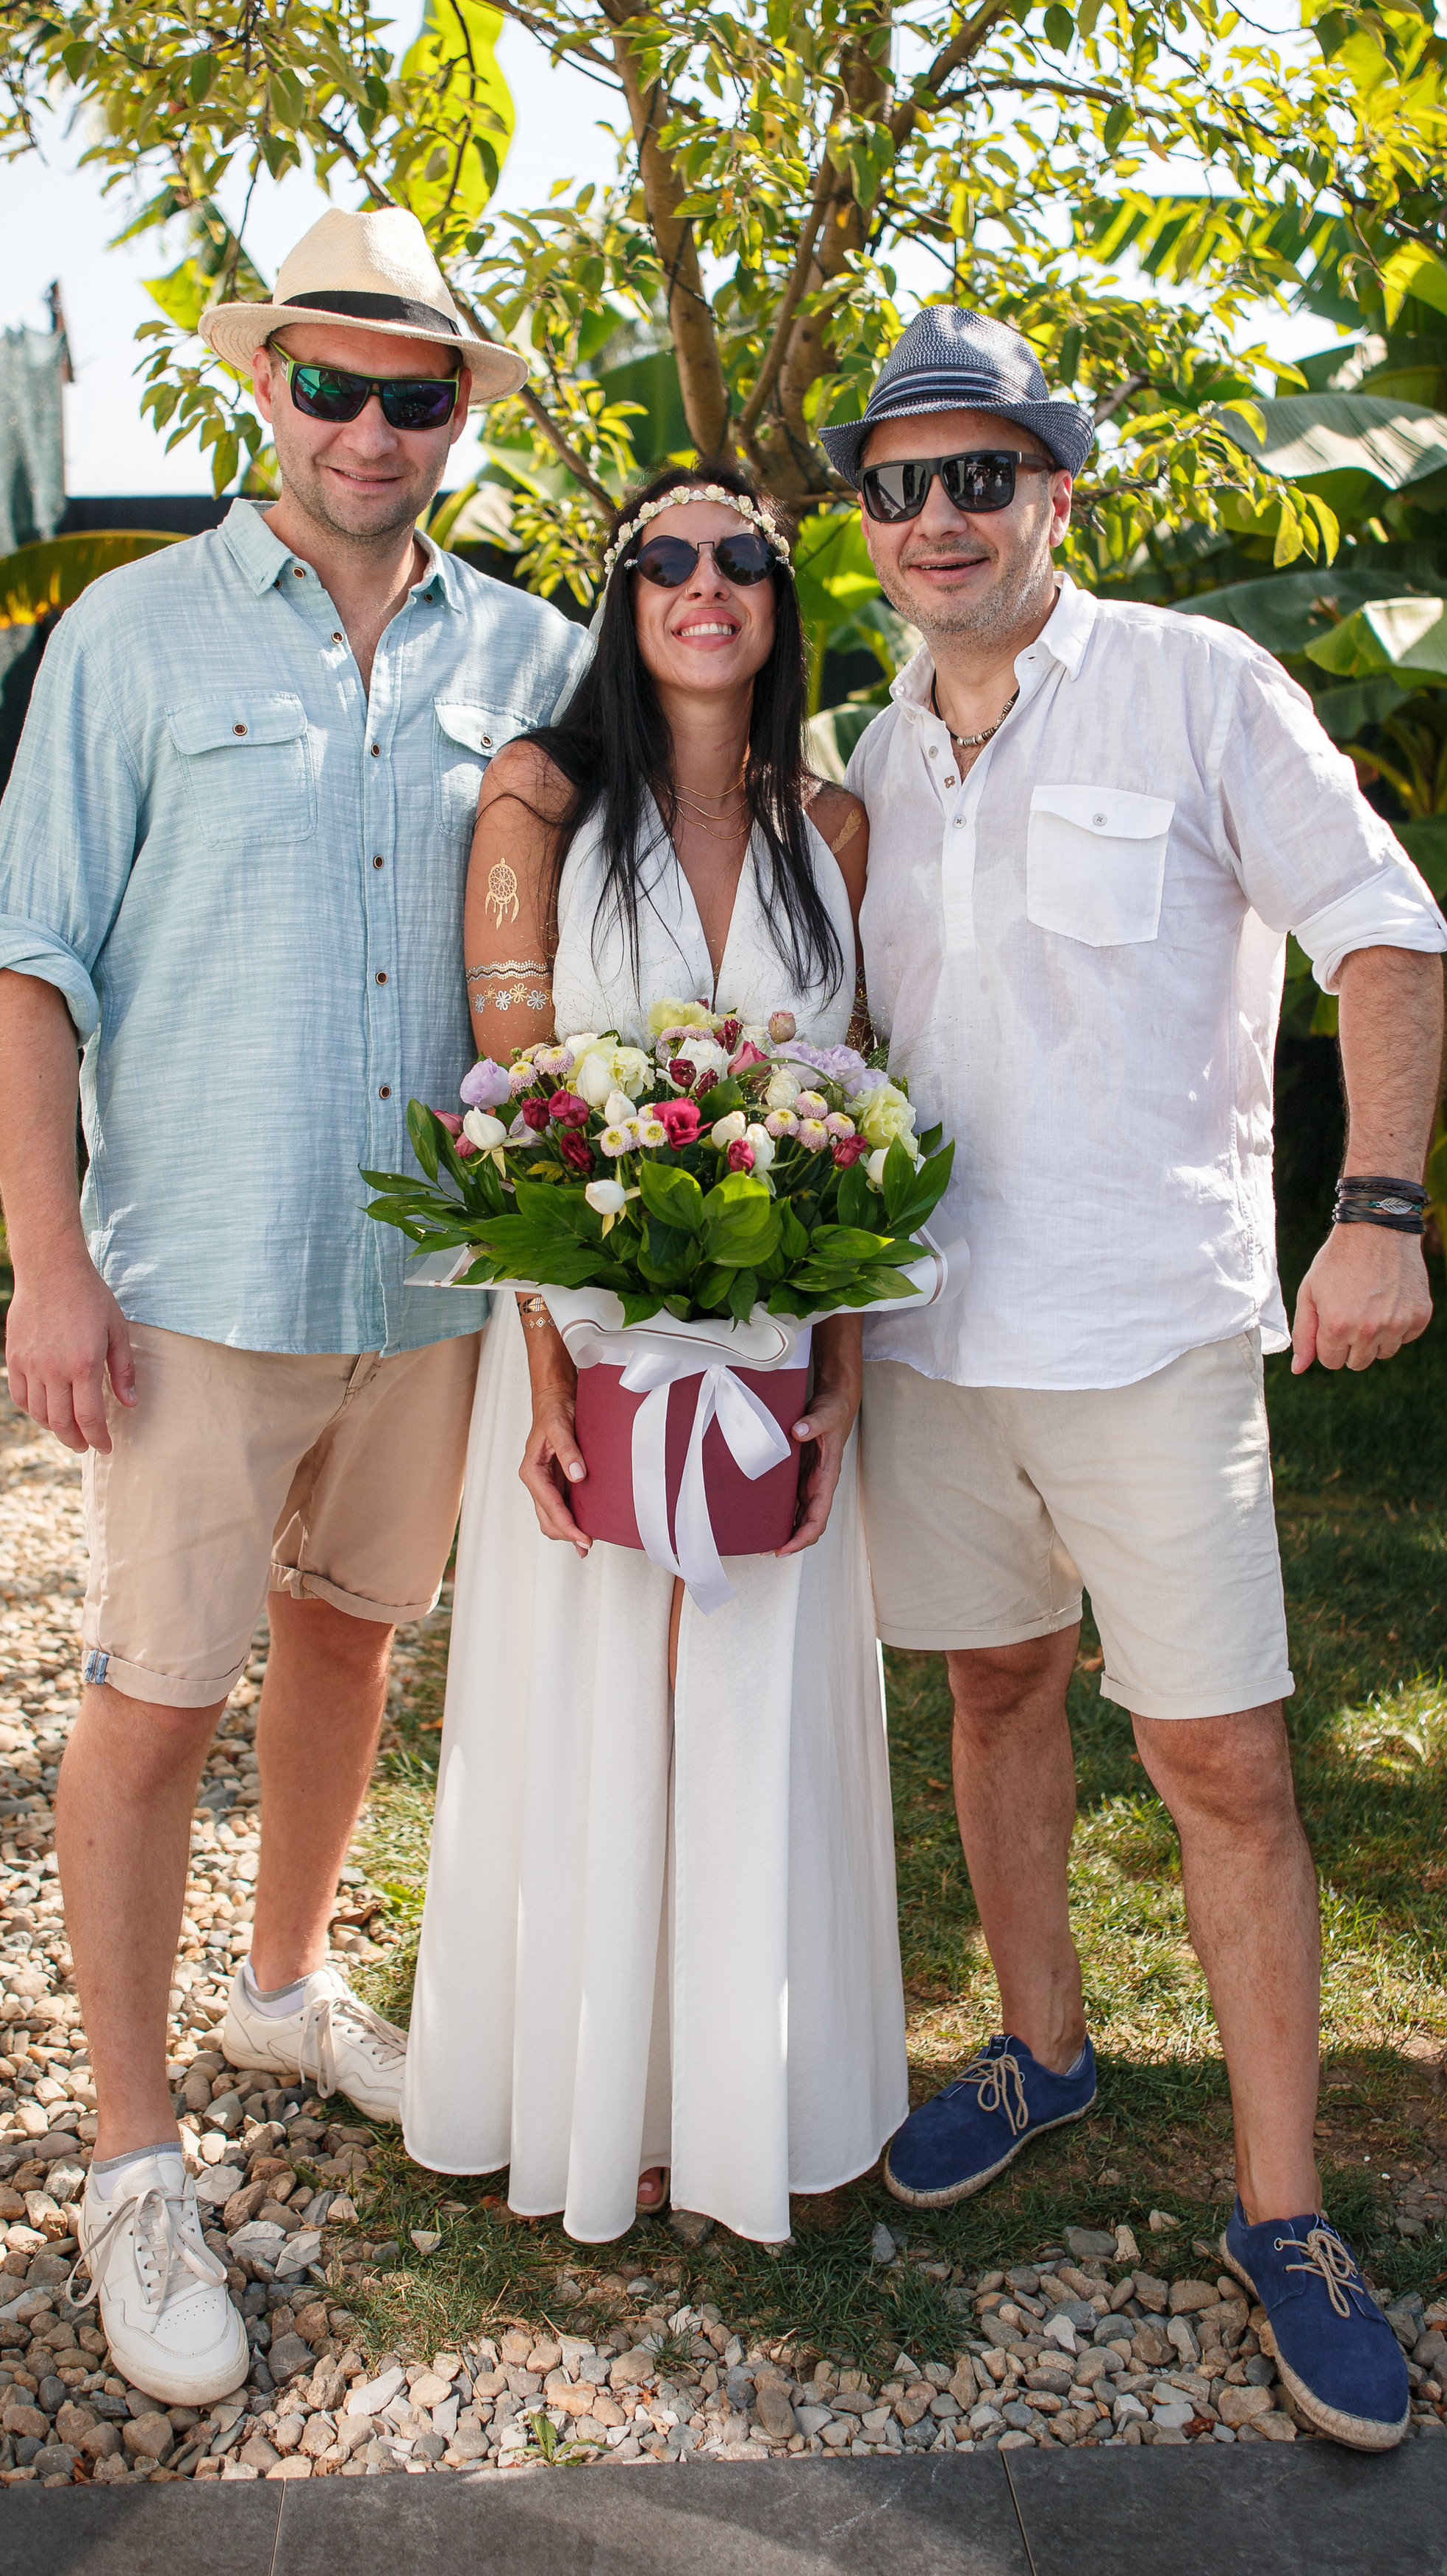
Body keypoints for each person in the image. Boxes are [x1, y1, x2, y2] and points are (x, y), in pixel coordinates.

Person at [0, 206, 590, 2404]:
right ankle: (136, 2162)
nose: (369, 427)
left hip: (430, 1276)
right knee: (154, 1696)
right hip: (198, 1283)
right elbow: (25, 962)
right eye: (329, 383)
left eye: (414, 395)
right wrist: (51, 1262)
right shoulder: (128, 639)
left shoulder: (532, 658)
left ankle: (287, 1985)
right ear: (264, 390)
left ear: (456, 423)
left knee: (355, 1634)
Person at [829, 306, 1447, 2453]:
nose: (934, 517)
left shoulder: (1201, 686)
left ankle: (1282, 2214)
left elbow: (1386, 926)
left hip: (1150, 1339)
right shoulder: (874, 767)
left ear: (1054, 494)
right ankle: (1046, 2048)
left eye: (976, 474)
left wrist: (1381, 1205)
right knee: (993, 1695)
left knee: (1222, 1771)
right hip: (935, 1341)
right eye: (897, 486)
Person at [401, 466, 908, 2244]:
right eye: (665, 559)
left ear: (779, 598)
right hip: (587, 1351)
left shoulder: (829, 829)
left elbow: (851, 1110)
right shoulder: (539, 797)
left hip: (773, 1352)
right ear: (623, 600)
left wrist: (840, 1359)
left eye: (742, 558)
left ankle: (751, 2100)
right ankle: (601, 2099)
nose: (706, 583)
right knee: (599, 1706)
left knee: (758, 1717)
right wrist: (542, 1374)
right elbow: (514, 1107)